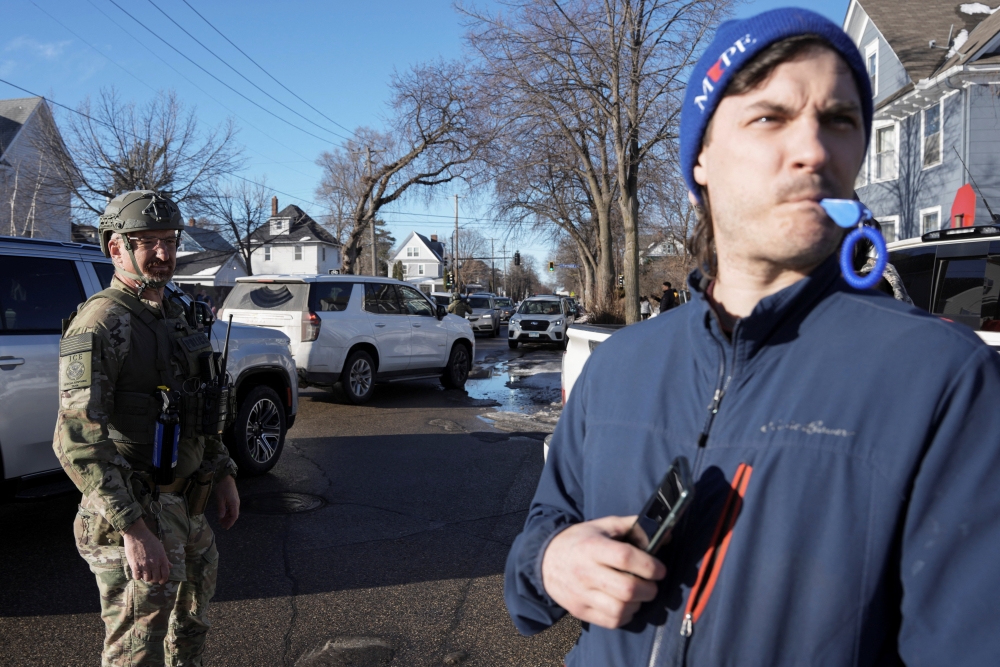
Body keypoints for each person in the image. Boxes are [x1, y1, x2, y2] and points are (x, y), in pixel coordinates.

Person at [504, 9, 1000, 666]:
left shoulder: (943, 381)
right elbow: (535, 554)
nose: (815, 150)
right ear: (700, 159)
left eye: (840, 121)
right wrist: (550, 559)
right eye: (770, 117)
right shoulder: (620, 363)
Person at [54, 190, 240, 666]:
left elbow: (201, 405)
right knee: (137, 651)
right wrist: (133, 528)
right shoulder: (100, 324)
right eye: (148, 242)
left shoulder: (174, 314)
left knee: (191, 626)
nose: (164, 253)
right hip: (135, 514)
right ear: (116, 248)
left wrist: (222, 473)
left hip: (187, 507)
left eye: (170, 240)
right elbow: (77, 441)